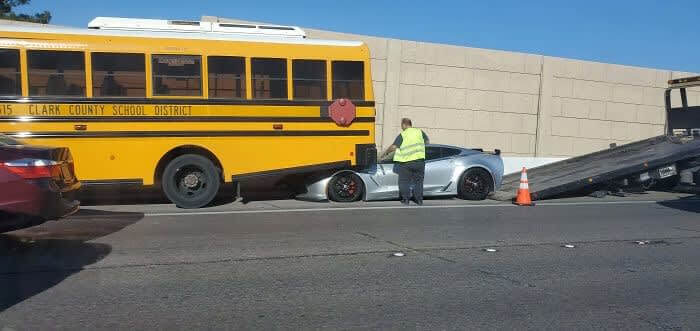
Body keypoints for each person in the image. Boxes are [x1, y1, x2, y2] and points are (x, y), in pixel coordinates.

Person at [380, 118, 429, 205]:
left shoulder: (403, 134)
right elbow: (427, 141)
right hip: (420, 162)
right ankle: (419, 200)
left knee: (404, 181)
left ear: (404, 125)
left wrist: (386, 153)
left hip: (407, 163)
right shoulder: (419, 132)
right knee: (418, 182)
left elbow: (394, 147)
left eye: (401, 125)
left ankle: (406, 200)